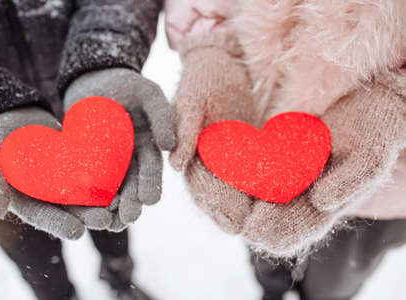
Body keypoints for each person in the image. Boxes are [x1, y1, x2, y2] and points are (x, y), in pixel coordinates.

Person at [165, 0, 406, 299]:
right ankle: (272, 290)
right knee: (262, 247)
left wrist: (397, 95)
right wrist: (212, 47)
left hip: (388, 184)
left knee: (334, 282)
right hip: (253, 119)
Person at [0, 1, 174, 300]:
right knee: (34, 256)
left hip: (96, 128)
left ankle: (120, 278)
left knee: (111, 213)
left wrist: (100, 55)